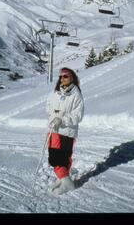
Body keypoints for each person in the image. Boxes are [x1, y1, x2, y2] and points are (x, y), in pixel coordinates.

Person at [46, 67, 84, 195]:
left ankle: (68, 183)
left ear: (72, 77)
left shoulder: (76, 94)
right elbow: (48, 107)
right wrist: (53, 117)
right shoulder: (55, 92)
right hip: (54, 129)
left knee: (61, 158)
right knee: (54, 156)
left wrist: (62, 120)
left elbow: (78, 116)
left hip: (67, 132)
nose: (62, 78)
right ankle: (62, 178)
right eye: (60, 76)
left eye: (65, 76)